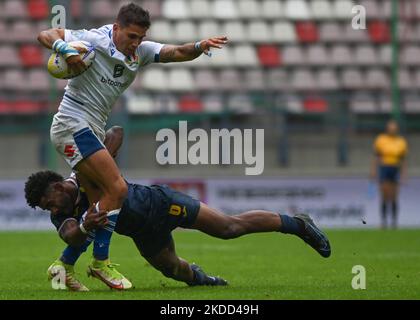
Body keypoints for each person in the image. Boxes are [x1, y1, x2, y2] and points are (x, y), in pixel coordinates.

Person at [37, 2, 228, 289]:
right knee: (119, 189)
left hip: (89, 129)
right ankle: (100, 262)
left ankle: (63, 265)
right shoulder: (93, 40)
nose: (136, 43)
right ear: (116, 29)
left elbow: (176, 52)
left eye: (140, 37)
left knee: (102, 196)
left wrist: (200, 45)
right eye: (131, 36)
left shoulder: (140, 52)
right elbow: (46, 34)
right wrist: (64, 50)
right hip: (72, 124)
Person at [24, 128, 331, 291]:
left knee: (228, 228)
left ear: (56, 185)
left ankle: (298, 225)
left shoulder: (85, 172)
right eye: (46, 208)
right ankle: (206, 282)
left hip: (161, 204)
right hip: (143, 233)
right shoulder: (61, 214)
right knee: (174, 270)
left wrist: (104, 154)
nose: (50, 209)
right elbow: (71, 237)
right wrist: (87, 226)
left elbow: (116, 131)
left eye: (48, 202)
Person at [371, 119, 408, 229]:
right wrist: (374, 171)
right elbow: (376, 157)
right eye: (390, 127)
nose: (392, 129)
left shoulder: (401, 142)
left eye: (394, 127)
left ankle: (394, 222)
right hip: (384, 167)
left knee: (394, 196)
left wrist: (404, 174)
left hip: (395, 167)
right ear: (387, 129)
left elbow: (403, 160)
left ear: (397, 129)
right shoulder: (381, 140)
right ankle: (384, 222)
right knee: (384, 195)